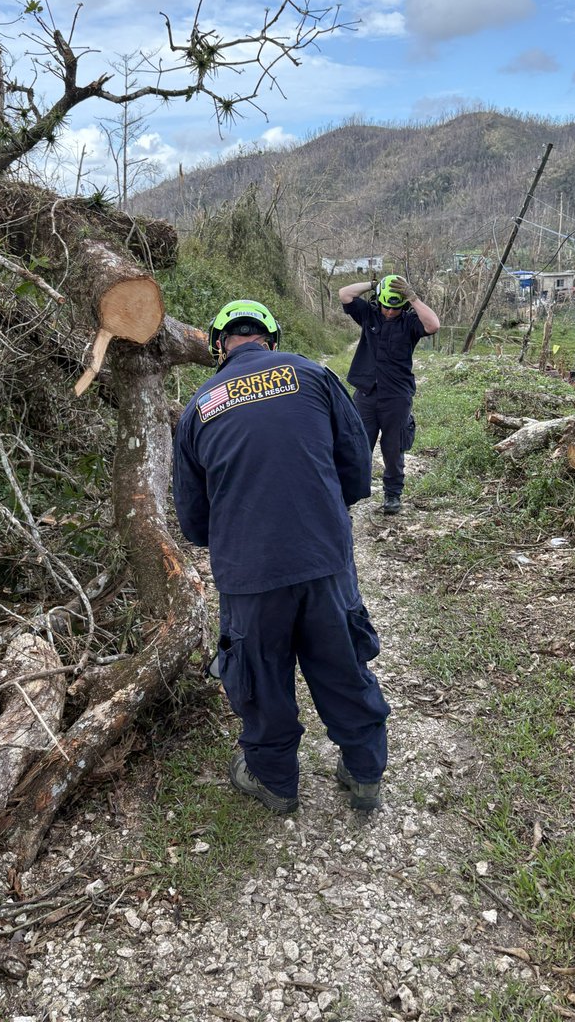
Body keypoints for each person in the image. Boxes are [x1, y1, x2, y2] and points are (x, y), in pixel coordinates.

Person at [172, 299, 390, 815]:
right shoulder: (312, 374)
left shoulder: (197, 407)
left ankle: (274, 782)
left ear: (217, 344)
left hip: (248, 572)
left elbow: (193, 520)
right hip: (323, 558)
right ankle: (363, 772)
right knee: (341, 663)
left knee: (259, 676)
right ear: (271, 338)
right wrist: (327, 512)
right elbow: (356, 462)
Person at [339, 274, 440, 515]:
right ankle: (348, 496)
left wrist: (412, 296)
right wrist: (374, 284)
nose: (389, 312)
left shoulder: (410, 322)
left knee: (393, 448)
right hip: (366, 393)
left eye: (395, 308)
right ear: (379, 301)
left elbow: (433, 325)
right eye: (386, 306)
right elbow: (345, 293)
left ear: (402, 305)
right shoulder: (369, 314)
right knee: (359, 446)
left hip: (397, 396)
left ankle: (392, 495)